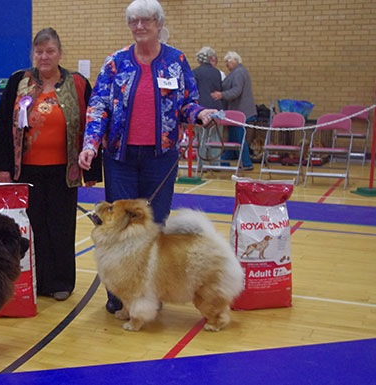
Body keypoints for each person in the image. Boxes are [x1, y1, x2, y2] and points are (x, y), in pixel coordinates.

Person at [77, 0, 217, 313]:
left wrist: (200, 113)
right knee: (120, 229)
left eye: (146, 21)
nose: (140, 27)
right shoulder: (115, 63)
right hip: (120, 159)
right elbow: (98, 106)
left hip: (161, 159)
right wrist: (90, 144)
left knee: (155, 228)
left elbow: (187, 104)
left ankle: (152, 291)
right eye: (134, 22)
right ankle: (119, 294)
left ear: (158, 24)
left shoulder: (176, 60)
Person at [0, 28, 101, 302]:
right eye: (39, 51)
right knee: (32, 226)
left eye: (50, 51)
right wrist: (2, 168)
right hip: (26, 170)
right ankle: (36, 280)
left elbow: (93, 126)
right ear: (33, 54)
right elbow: (3, 124)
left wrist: (93, 170)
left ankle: (61, 281)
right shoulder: (19, 81)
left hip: (65, 170)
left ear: (60, 53)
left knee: (61, 227)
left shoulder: (77, 83)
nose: (44, 56)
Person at [211, 51, 256, 170]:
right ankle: (224, 162)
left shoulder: (239, 73)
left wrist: (221, 95)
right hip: (235, 112)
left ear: (236, 60)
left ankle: (246, 163)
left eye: (228, 61)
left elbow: (236, 91)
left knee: (240, 138)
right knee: (232, 137)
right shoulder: (236, 72)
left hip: (241, 112)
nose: (226, 64)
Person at [193, 47, 224, 162]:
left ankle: (201, 164)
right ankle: (216, 163)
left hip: (201, 109)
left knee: (201, 137)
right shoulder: (217, 72)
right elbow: (219, 89)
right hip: (216, 108)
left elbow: (194, 91)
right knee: (215, 136)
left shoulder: (195, 72)